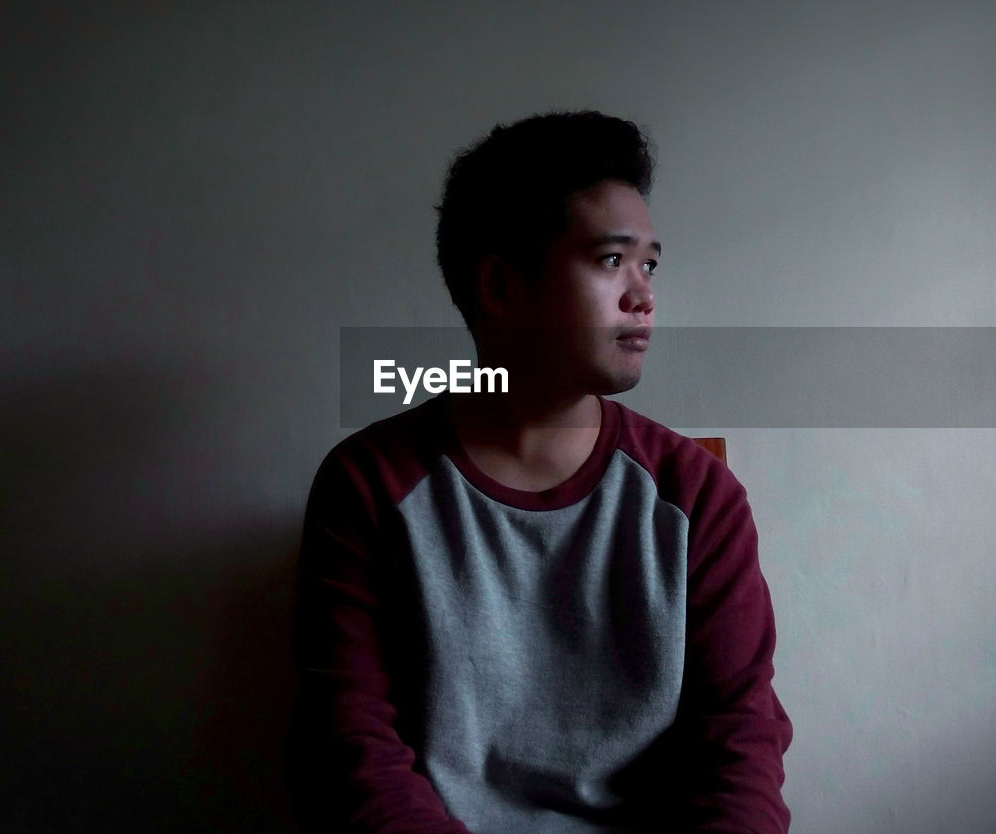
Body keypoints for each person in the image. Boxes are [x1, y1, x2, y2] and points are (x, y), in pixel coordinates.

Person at [287, 110, 792, 833]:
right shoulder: (370, 485)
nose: (644, 294)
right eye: (611, 260)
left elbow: (740, 742)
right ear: (499, 286)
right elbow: (349, 748)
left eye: (650, 264)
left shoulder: (695, 495)